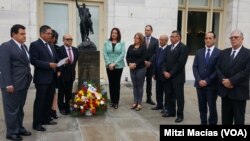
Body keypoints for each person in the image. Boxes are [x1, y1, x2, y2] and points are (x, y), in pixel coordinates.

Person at [0, 24, 32, 141]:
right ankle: (11, 132)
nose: (25, 36)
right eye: (22, 34)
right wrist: (8, 84)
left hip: (23, 83)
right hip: (11, 84)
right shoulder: (6, 46)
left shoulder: (24, 47)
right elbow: (4, 67)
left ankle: (19, 128)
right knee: (11, 109)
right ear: (14, 34)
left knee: (19, 108)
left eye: (25, 33)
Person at [216, 30, 250, 125]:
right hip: (225, 92)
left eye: (236, 37)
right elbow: (217, 68)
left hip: (239, 92)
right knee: (226, 120)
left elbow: (247, 71)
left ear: (242, 39)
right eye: (231, 37)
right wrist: (224, 81)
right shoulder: (224, 52)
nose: (233, 39)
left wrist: (231, 81)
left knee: (239, 120)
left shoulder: (248, 53)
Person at [29, 25, 58, 132]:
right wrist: (48, 65)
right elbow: (33, 61)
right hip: (41, 79)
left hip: (51, 78)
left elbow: (54, 58)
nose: (51, 35)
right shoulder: (35, 45)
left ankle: (46, 119)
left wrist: (61, 62)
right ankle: (36, 123)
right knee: (40, 101)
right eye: (49, 33)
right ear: (42, 34)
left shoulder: (51, 45)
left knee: (48, 100)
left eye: (51, 34)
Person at [192, 32, 221, 125]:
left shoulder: (219, 53)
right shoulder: (199, 52)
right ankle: (203, 123)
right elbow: (195, 67)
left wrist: (207, 80)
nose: (208, 40)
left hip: (212, 86)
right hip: (199, 85)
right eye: (206, 38)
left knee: (212, 107)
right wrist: (199, 80)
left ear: (214, 40)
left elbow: (218, 70)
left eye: (210, 38)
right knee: (202, 106)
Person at [162, 30, 189, 123]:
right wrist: (164, 71)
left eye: (173, 36)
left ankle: (180, 115)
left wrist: (171, 73)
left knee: (179, 97)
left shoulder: (183, 48)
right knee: (169, 95)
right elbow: (164, 61)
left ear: (179, 37)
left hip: (177, 77)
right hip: (167, 76)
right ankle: (171, 112)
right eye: (171, 36)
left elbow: (180, 63)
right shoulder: (168, 47)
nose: (171, 38)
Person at [103, 28, 125, 109]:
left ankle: (116, 102)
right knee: (111, 83)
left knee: (116, 84)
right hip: (109, 66)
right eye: (112, 32)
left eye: (115, 33)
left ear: (118, 34)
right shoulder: (106, 42)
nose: (114, 34)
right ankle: (112, 101)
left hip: (118, 66)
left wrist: (114, 63)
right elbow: (105, 53)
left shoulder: (122, 42)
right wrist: (109, 63)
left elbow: (122, 54)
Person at [57, 34, 79, 115]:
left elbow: (75, 62)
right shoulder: (59, 49)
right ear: (63, 40)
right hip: (62, 75)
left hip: (71, 75)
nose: (70, 41)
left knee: (69, 92)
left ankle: (68, 107)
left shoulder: (75, 50)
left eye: (71, 39)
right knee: (61, 92)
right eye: (68, 39)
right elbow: (57, 62)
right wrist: (62, 64)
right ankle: (61, 108)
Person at [126, 32, 147, 111]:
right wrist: (129, 64)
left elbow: (143, 57)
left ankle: (139, 103)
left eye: (137, 38)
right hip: (132, 68)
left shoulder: (143, 47)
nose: (135, 39)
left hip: (140, 69)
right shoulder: (131, 47)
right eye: (135, 37)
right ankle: (135, 102)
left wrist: (135, 63)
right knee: (134, 86)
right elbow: (127, 56)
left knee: (140, 86)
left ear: (140, 39)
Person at [151, 35, 169, 111]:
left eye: (161, 40)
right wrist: (154, 73)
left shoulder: (169, 50)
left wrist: (165, 72)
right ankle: (159, 105)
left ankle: (166, 107)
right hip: (158, 74)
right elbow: (156, 62)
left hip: (164, 74)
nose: (160, 41)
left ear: (166, 41)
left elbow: (168, 62)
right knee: (158, 91)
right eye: (159, 40)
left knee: (166, 92)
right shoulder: (158, 49)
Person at [144, 25, 158, 105]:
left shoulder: (155, 41)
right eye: (145, 30)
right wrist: (144, 61)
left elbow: (156, 53)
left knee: (149, 82)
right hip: (142, 64)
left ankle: (149, 98)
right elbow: (140, 51)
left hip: (151, 65)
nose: (146, 31)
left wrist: (150, 62)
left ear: (151, 31)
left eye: (148, 30)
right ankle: (138, 99)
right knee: (140, 82)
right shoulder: (141, 39)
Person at [49, 29, 59, 119]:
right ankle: (49, 111)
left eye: (55, 38)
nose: (54, 39)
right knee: (48, 95)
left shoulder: (56, 48)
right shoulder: (45, 46)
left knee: (54, 93)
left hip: (55, 74)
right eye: (53, 37)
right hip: (47, 74)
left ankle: (54, 110)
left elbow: (57, 60)